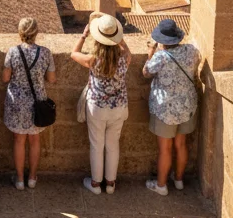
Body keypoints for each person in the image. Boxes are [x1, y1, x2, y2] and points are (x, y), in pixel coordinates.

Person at [71, 14, 132, 195]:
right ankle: (111, 184)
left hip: (97, 107)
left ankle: (96, 184)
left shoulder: (93, 60)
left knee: (96, 145)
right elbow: (128, 51)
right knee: (113, 145)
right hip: (118, 107)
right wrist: (119, 39)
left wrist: (83, 35)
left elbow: (73, 54)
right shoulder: (124, 59)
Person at [141, 18, 201, 196]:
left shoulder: (161, 57)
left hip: (166, 109)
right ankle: (179, 180)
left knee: (165, 148)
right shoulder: (191, 51)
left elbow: (146, 72)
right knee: (181, 144)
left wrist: (150, 53)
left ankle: (161, 185)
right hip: (187, 105)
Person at [2, 17, 56, 190]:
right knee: (34, 141)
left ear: (20, 33)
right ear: (36, 32)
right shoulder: (45, 53)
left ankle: (19, 179)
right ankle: (32, 178)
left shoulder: (13, 52)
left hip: (17, 103)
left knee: (19, 140)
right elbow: (52, 78)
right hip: (37, 103)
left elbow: (5, 78)